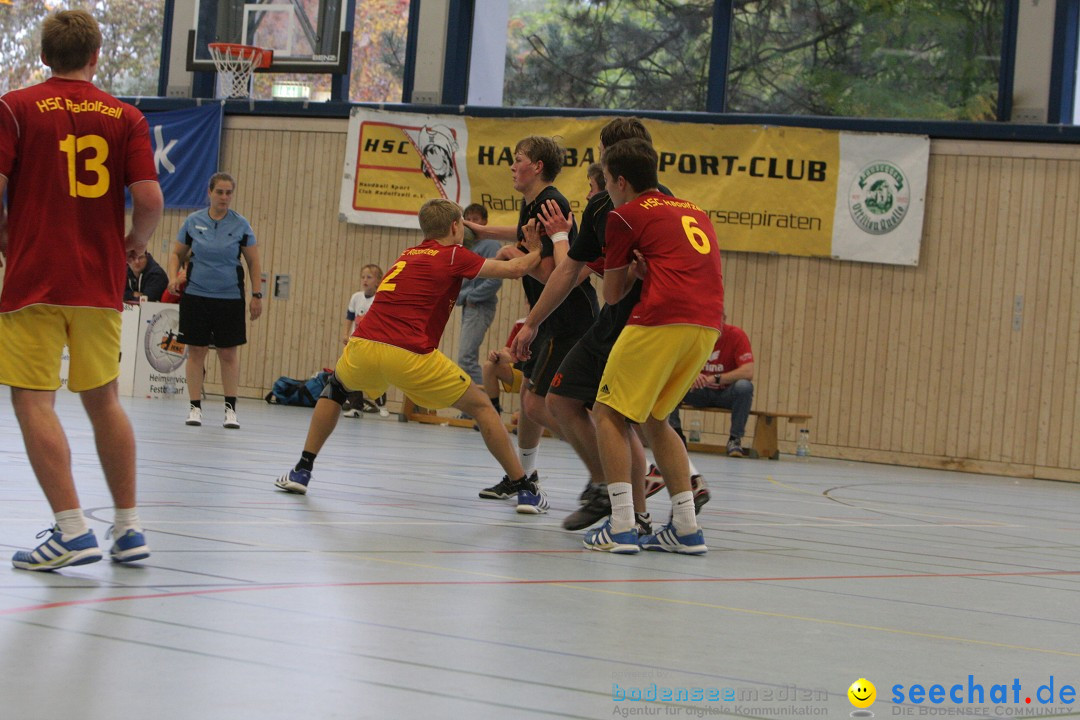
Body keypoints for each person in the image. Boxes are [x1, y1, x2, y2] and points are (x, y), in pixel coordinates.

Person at [0, 9, 164, 571]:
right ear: (96, 57)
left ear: (45, 57)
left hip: (34, 280)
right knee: (105, 401)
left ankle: (70, 529)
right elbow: (149, 200)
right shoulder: (126, 117)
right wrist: (132, 245)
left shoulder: (16, 109)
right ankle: (128, 527)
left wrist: (6, 237)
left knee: (32, 399)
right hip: (97, 281)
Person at [275, 199, 550, 514]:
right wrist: (541, 247)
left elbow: (458, 271)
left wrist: (495, 255)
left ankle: (301, 470)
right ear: (455, 227)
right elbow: (516, 270)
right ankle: (524, 488)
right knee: (482, 407)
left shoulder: (408, 254)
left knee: (335, 388)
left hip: (363, 345)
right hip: (409, 354)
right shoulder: (454, 255)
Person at [511, 118, 708, 535]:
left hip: (639, 321)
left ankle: (621, 512)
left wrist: (557, 241)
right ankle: (680, 516)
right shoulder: (678, 203)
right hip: (699, 321)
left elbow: (578, 277)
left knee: (587, 408)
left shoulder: (616, 209)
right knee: (649, 416)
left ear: (613, 168)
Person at [585, 137, 724, 555]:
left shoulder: (623, 215)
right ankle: (686, 528)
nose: (605, 189)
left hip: (661, 317)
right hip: (707, 324)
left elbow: (611, 296)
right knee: (656, 419)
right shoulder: (694, 209)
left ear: (621, 181)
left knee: (607, 412)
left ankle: (623, 525)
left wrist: (631, 273)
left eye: (606, 181)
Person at [466, 136, 598, 501]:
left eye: (518, 159)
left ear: (537, 166)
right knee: (527, 396)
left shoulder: (551, 202)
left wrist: (514, 255)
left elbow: (562, 271)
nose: (512, 165)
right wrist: (485, 232)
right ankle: (524, 476)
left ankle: (604, 468)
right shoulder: (535, 204)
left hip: (568, 318)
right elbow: (525, 237)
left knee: (539, 404)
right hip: (548, 318)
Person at [168, 172, 263, 430]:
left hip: (229, 298)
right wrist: (173, 276)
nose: (224, 197)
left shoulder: (241, 225)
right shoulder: (192, 222)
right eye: (219, 192)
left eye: (228, 192)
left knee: (228, 353)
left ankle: (230, 410)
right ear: (209, 193)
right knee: (196, 352)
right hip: (196, 296)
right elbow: (176, 253)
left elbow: (253, 262)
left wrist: (256, 295)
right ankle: (195, 407)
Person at [668, 313, 754, 457]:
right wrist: (692, 375)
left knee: (744, 387)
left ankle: (735, 440)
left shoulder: (737, 336)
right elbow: (676, 365)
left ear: (724, 320)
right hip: (699, 391)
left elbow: (748, 371)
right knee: (671, 384)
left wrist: (716, 378)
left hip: (726, 393)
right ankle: (676, 435)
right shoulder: (696, 336)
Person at [457, 203, 502, 387]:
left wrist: (471, 297)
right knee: (466, 359)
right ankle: (473, 410)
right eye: (468, 218)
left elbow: (495, 279)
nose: (471, 222)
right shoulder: (466, 246)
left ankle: (484, 406)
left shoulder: (491, 245)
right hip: (469, 306)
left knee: (466, 360)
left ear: (484, 222)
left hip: (479, 306)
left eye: (476, 219)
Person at [340, 263, 389, 418]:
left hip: (374, 344)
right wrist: (345, 333)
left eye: (369, 277)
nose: (365, 280)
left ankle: (382, 404)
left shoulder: (380, 298)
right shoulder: (356, 297)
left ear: (378, 280)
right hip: (356, 343)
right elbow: (349, 317)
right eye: (363, 277)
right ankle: (356, 408)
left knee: (374, 376)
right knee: (352, 374)